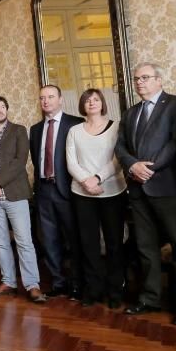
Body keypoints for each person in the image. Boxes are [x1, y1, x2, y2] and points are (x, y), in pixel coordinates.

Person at [116, 64, 176, 325]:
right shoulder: (131, 113)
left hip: (171, 188)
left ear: (159, 80)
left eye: (145, 78)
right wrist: (132, 165)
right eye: (136, 79)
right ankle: (150, 298)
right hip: (139, 190)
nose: (139, 83)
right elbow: (120, 145)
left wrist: (149, 168)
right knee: (146, 247)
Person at [0, 96, 46, 303]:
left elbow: (19, 161)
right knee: (0, 243)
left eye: (3, 106)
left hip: (15, 194)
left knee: (24, 241)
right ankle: (9, 282)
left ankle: (32, 285)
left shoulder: (19, 131)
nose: (0, 110)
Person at [66, 88, 127, 308]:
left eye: (96, 99)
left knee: (114, 243)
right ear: (82, 105)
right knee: (89, 244)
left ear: (102, 103)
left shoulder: (116, 127)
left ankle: (115, 291)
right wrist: (87, 181)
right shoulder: (74, 131)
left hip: (112, 191)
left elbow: (118, 159)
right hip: (82, 193)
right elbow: (71, 162)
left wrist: (98, 178)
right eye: (87, 100)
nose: (92, 103)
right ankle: (93, 289)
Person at [29, 85, 85, 298]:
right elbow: (37, 161)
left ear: (61, 99)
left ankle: (78, 284)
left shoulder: (76, 123)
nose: (46, 101)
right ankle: (58, 282)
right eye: (42, 98)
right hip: (44, 190)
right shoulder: (35, 129)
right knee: (49, 240)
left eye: (51, 97)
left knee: (74, 239)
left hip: (68, 190)